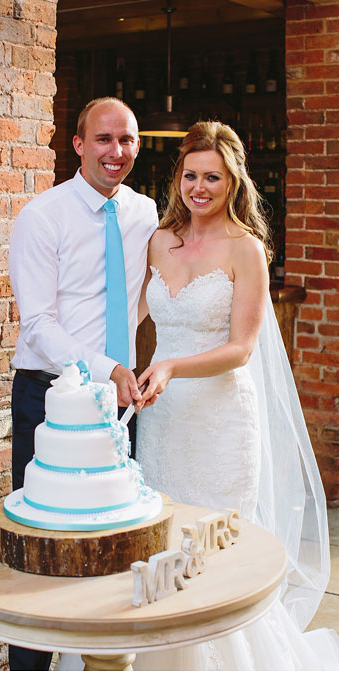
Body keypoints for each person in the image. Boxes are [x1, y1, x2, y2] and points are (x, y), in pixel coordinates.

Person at [131, 120, 339, 669]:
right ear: (177, 179)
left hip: (221, 419)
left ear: (233, 183)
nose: (199, 188)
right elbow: (130, 315)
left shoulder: (245, 249)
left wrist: (169, 363)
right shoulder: (159, 241)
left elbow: (242, 348)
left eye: (213, 179)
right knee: (164, 543)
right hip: (162, 417)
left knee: (213, 548)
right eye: (190, 176)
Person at [7, 97, 158, 670]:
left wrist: (126, 362)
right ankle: (31, 666)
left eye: (127, 140)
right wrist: (106, 367)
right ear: (77, 144)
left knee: (113, 535)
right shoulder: (43, 216)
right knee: (42, 548)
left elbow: (144, 297)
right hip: (49, 399)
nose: (116, 152)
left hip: (120, 403)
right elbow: (39, 325)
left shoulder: (145, 214)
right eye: (103, 139)